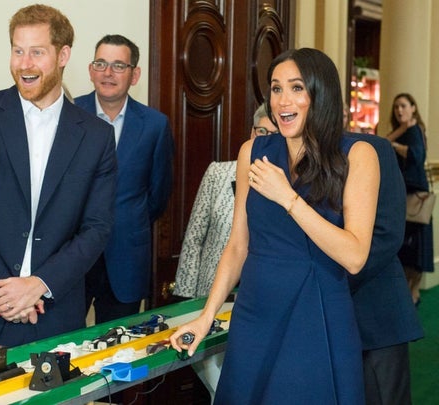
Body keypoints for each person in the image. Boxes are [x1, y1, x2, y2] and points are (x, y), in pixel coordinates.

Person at [170, 48, 379, 404]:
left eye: (297, 88)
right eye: (276, 88)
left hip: (316, 313)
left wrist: (289, 198)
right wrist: (206, 316)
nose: (283, 100)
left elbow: (355, 255)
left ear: (321, 92)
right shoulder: (252, 151)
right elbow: (237, 245)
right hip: (254, 313)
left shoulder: (357, 154)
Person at [0, 4, 117, 362]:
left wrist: (39, 285)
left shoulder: (97, 136)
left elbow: (96, 227)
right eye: (18, 51)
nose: (24, 63)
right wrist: (5, 293)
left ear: (63, 54)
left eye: (37, 52)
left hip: (53, 316)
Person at [74, 34, 174, 324]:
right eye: (101, 63)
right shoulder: (69, 115)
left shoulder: (155, 125)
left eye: (119, 65)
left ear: (134, 74)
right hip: (71, 257)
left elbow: (158, 195)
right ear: (91, 70)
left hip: (127, 258)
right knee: (58, 349)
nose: (108, 73)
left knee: (118, 349)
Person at [345, 132, 424, 404]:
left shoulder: (373, 148)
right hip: (322, 328)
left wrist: (327, 286)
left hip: (376, 318)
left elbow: (387, 234)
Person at [174, 105, 276, 299]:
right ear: (252, 132)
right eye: (261, 131)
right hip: (213, 290)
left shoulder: (288, 185)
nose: (265, 139)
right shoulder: (218, 173)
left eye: (274, 134)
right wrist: (185, 297)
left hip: (259, 292)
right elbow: (194, 238)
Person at [384, 93, 434, 306]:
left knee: (417, 248)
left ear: (413, 107)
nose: (400, 110)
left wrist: (396, 145)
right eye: (396, 107)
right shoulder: (402, 131)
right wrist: (399, 133)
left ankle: (412, 294)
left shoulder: (416, 130)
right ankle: (408, 295)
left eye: (403, 106)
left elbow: (417, 156)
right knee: (405, 248)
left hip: (416, 196)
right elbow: (383, 144)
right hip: (402, 195)